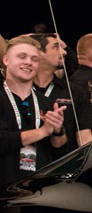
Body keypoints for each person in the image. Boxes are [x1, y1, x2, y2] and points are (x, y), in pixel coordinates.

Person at [1, 36, 67, 187]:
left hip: (38, 190)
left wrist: (58, 131)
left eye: (34, 59)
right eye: (21, 56)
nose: (28, 62)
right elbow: (3, 140)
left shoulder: (47, 102)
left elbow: (60, 149)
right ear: (6, 60)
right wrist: (43, 131)